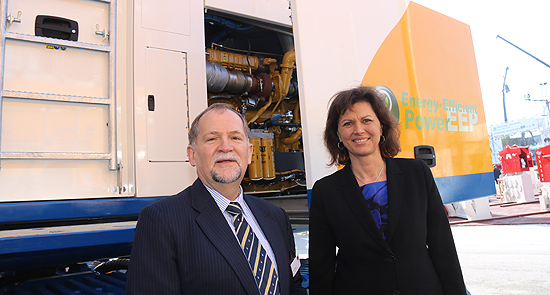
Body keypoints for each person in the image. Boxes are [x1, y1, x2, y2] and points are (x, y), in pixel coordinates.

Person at [126, 103, 306, 295]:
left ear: (250, 153)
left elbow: (292, 286)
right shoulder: (161, 220)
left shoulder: (276, 217)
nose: (225, 147)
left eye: (235, 137)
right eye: (212, 139)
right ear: (192, 155)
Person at [309, 86, 467, 295]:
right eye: (348, 123)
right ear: (337, 134)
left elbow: (443, 246)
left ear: (381, 127)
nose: (359, 130)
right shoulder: (325, 191)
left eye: (367, 120)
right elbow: (322, 267)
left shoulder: (417, 173)